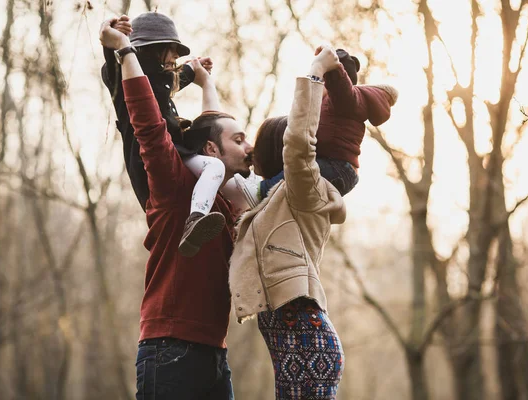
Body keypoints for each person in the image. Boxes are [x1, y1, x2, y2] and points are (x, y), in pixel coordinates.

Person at [99, 16, 253, 400]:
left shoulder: (229, 200)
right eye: (240, 139)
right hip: (170, 350)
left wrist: (205, 81)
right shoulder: (173, 185)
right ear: (213, 149)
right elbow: (148, 124)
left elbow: (212, 127)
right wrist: (121, 49)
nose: (248, 145)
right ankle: (193, 222)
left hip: (214, 353)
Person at [229, 45, 347, 399]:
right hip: (294, 349)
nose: (249, 152)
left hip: (308, 347)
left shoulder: (300, 190)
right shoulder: (268, 203)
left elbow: (298, 142)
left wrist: (315, 74)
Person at [101, 13, 243, 257]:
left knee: (227, 177)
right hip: (149, 161)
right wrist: (114, 42)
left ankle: (233, 220)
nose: (177, 57)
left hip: (177, 153)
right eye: (172, 50)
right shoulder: (128, 79)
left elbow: (172, 79)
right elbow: (116, 68)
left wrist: (196, 70)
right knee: (215, 168)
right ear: (154, 50)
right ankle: (196, 219)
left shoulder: (162, 81)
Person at [234, 48, 398, 208]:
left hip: (338, 167)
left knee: (296, 174)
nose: (318, 86)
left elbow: (339, 88)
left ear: (333, 81)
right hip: (336, 166)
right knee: (299, 172)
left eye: (323, 81)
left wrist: (331, 65)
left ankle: (262, 191)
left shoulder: (346, 100)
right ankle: (263, 189)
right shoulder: (335, 105)